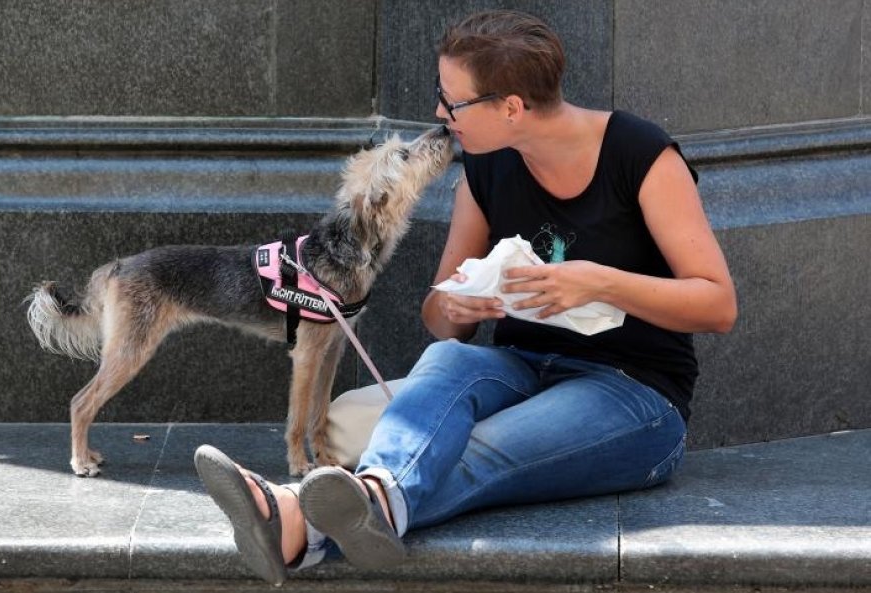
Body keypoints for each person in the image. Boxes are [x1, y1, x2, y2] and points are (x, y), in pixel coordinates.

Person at [193, 9, 737, 586]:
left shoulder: (641, 154)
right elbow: (439, 318)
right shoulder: (486, 169)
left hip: (633, 393)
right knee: (448, 359)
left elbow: (717, 304)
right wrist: (455, 307)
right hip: (519, 369)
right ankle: (363, 503)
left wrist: (598, 281)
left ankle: (303, 519)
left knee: (480, 448)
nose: (439, 113)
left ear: (510, 107)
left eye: (452, 102)